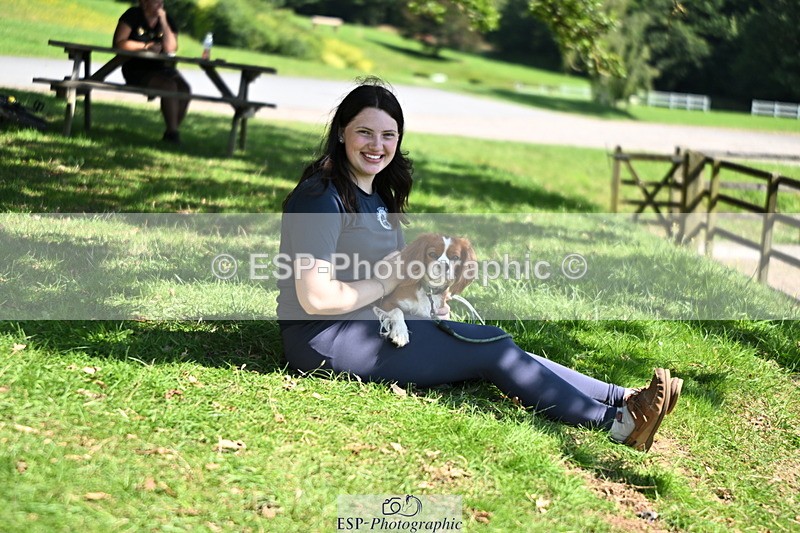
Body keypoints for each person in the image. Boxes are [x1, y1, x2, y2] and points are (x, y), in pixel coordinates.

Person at [277, 78, 681, 452]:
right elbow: (316, 297)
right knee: (492, 352)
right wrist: (386, 284)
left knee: (490, 338)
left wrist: (429, 299)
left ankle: (621, 397)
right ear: (342, 132)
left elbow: (396, 276)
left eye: (388, 135)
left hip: (375, 319)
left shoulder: (375, 194)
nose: (376, 145)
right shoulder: (320, 197)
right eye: (365, 132)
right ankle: (619, 424)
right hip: (326, 338)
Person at [113, 0, 191, 144]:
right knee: (169, 87)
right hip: (136, 68)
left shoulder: (167, 20)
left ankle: (171, 132)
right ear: (144, 2)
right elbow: (119, 43)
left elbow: (171, 48)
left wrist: (164, 21)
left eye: (161, 1)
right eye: (155, 1)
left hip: (162, 68)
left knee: (185, 89)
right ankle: (173, 135)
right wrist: (145, 46)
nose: (159, 5)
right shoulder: (133, 15)